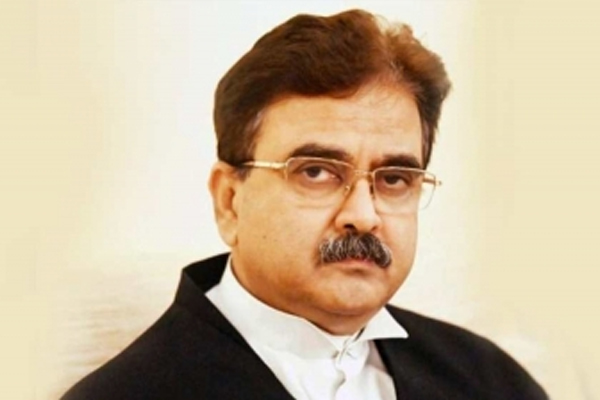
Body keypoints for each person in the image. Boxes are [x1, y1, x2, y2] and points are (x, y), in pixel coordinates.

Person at [62, 9, 548, 400]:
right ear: (230, 201)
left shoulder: (490, 380)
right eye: (316, 172)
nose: (364, 215)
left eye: (394, 179)